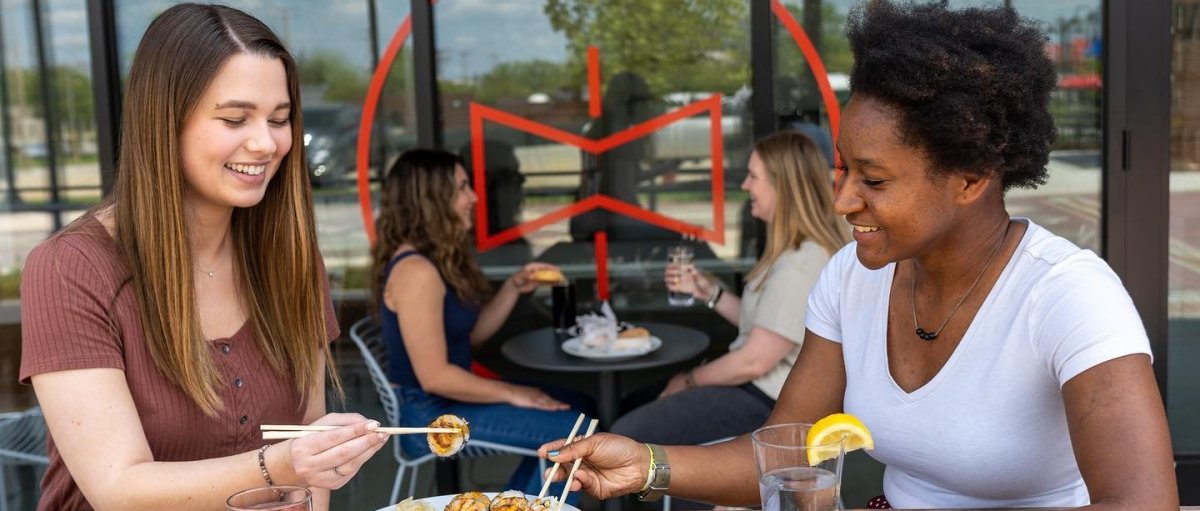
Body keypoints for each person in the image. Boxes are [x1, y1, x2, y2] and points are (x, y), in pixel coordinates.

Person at [538, 2, 1178, 509]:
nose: (842, 201)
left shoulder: (1068, 295)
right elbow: (783, 454)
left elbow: (1143, 501)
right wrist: (647, 465)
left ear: (970, 177)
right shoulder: (851, 276)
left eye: (872, 180)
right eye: (842, 170)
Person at [18, 4, 386, 510]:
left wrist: (307, 467)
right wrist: (276, 465)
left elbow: (310, 469)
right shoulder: (71, 267)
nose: (266, 143)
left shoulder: (292, 260)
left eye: (280, 120)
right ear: (164, 121)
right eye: (235, 118)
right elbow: (117, 490)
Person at [371, 149, 591, 497]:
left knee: (583, 407)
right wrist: (516, 394)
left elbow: (471, 338)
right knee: (577, 436)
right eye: (461, 188)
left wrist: (513, 287)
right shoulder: (416, 272)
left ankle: (517, 504)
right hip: (429, 417)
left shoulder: (434, 261)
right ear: (430, 199)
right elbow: (435, 376)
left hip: (449, 400)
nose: (473, 197)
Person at [611, 131, 848, 448]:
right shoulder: (794, 251)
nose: (745, 186)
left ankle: (687, 495)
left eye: (753, 176)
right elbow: (768, 325)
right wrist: (710, 292)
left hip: (770, 404)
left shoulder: (802, 262)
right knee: (632, 403)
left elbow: (754, 361)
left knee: (624, 434)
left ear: (782, 186)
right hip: (760, 390)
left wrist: (690, 380)